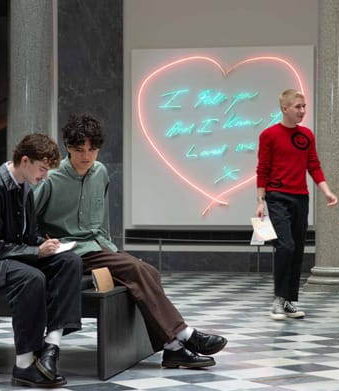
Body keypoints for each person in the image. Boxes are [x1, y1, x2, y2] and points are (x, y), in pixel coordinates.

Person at [34, 113, 227, 369]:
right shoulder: (52, 176)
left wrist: (112, 250)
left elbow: (102, 219)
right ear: (67, 147)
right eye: (79, 149)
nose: (86, 156)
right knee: (136, 269)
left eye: (93, 149)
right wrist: (41, 247)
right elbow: (29, 218)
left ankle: (172, 349)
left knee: (149, 271)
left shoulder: (100, 172)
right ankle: (184, 335)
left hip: (97, 247)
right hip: (68, 253)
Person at [0, 134, 82, 388]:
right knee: (31, 278)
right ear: (25, 161)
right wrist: (36, 252)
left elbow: (25, 236)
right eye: (43, 169)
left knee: (70, 262)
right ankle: (24, 365)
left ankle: (51, 348)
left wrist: (44, 245)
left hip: (7, 256)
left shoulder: (24, 185)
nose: (45, 176)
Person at [256, 89, 338, 321]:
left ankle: (289, 300)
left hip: (300, 197)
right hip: (277, 196)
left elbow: (313, 165)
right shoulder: (269, 135)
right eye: (298, 107)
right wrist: (260, 200)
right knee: (286, 246)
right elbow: (262, 168)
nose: (302, 111)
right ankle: (278, 300)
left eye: (304, 107)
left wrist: (327, 191)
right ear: (284, 109)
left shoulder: (307, 136)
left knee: (298, 249)